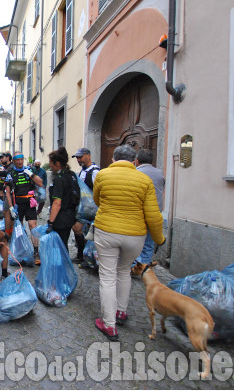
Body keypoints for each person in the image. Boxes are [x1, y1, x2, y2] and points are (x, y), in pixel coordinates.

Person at [92, 144, 165, 341]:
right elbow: (153, 214)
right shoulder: (144, 180)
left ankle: (109, 325)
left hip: (107, 231)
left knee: (107, 276)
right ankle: (121, 312)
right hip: (135, 234)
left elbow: (97, 200)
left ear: (113, 159)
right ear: (134, 161)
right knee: (124, 270)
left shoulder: (102, 175)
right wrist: (159, 238)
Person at [130, 149, 165, 275]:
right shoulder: (160, 173)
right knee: (149, 243)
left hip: (139, 214)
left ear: (137, 161)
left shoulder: (135, 173)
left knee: (135, 242)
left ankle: (135, 266)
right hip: (156, 214)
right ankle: (144, 267)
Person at [4, 152, 43, 264]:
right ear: (14, 161)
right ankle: (21, 251)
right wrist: (11, 207)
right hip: (18, 204)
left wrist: (30, 174)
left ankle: (36, 252)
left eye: (22, 159)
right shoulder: (10, 174)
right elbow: (7, 192)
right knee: (19, 229)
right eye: (18, 160)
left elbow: (40, 183)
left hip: (30, 203)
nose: (20, 162)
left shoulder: (29, 170)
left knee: (33, 227)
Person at [70, 147, 100, 265]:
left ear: (88, 156)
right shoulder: (83, 171)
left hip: (93, 209)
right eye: (77, 157)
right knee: (78, 229)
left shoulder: (95, 172)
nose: (78, 160)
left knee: (89, 233)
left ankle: (88, 257)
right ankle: (82, 255)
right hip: (83, 208)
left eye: (80, 157)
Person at [45, 148, 77, 248]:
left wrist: (50, 222)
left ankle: (61, 264)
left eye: (51, 162)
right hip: (71, 216)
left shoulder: (59, 179)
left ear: (57, 163)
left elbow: (57, 203)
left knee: (60, 247)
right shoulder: (71, 174)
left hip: (61, 218)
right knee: (64, 244)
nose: (50, 165)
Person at [0, 152, 13, 236]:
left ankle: (8, 232)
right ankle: (10, 231)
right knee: (7, 212)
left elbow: (6, 174)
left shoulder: (11, 167)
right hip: (8, 192)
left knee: (6, 212)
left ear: (8, 158)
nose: (1, 159)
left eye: (2, 157)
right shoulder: (7, 167)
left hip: (11, 193)